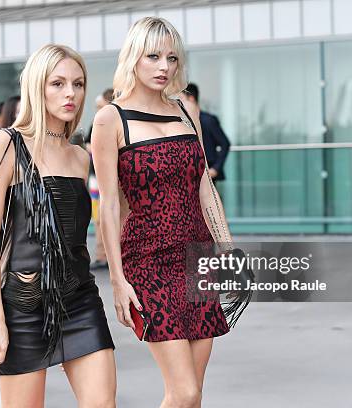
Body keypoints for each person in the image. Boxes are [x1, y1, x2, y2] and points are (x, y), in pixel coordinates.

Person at [92, 17, 250, 408]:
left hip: (198, 258)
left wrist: (228, 250)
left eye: (172, 58)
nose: (164, 66)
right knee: (184, 392)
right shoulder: (110, 119)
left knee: (193, 393)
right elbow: (109, 206)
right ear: (133, 58)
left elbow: (204, 188)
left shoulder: (185, 111)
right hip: (147, 261)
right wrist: (117, 280)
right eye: (153, 56)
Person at [0, 44, 116, 407]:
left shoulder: (80, 156)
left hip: (80, 299)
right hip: (23, 304)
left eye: (78, 83)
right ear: (37, 87)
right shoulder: (5, 144)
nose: (70, 93)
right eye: (57, 83)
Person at [85, 88, 114, 271]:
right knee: (98, 217)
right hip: (95, 177)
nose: (98, 110)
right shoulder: (96, 123)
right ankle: (102, 255)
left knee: (109, 215)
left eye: (100, 106)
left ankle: (109, 257)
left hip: (110, 179)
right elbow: (88, 143)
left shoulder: (114, 123)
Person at [183, 83, 231, 183]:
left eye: (181, 99)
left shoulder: (208, 120)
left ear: (191, 99)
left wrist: (215, 169)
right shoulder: (182, 121)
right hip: (188, 175)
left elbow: (225, 143)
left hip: (208, 173)